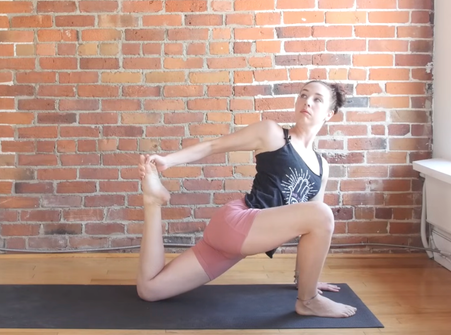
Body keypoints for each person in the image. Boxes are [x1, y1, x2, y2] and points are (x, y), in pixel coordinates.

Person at [135, 80, 357, 318]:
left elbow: (311, 231)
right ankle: (309, 301)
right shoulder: (273, 134)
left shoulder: (322, 168)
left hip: (235, 245)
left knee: (150, 289)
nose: (307, 102)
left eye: (317, 99)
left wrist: (305, 280)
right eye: (303, 95)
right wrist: (169, 161)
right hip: (239, 222)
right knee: (322, 212)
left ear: (329, 114)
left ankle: (153, 202)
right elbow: (214, 145)